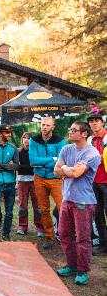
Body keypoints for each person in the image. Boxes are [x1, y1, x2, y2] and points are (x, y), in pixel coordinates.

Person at [55, 121, 100, 285]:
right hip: (67, 199)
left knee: (82, 238)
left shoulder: (92, 153)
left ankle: (82, 270)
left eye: (74, 130)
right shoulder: (66, 149)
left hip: (83, 201)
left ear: (84, 134)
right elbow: (56, 170)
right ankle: (72, 265)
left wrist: (66, 169)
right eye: (70, 129)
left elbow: (76, 173)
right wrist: (68, 169)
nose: (70, 132)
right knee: (64, 234)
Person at [29, 117, 66, 250]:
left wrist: (45, 162)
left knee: (63, 208)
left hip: (56, 178)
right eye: (43, 125)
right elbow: (33, 160)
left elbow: (61, 161)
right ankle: (49, 236)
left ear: (53, 127)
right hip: (39, 178)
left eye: (47, 125)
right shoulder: (33, 140)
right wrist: (52, 159)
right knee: (44, 209)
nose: (44, 127)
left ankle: (65, 235)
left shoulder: (60, 140)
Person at [87, 112, 107, 255]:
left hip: (106, 181)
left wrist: (97, 158)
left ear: (102, 123)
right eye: (91, 121)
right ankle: (104, 244)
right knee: (97, 214)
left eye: (96, 120)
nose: (94, 123)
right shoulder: (88, 140)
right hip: (93, 181)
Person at [16, 132, 43, 236]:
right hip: (22, 181)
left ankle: (40, 227)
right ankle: (22, 226)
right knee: (22, 204)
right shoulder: (18, 152)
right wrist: (29, 166)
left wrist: (24, 166)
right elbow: (16, 167)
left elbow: (37, 165)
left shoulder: (36, 152)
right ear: (22, 140)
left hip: (35, 180)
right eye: (24, 138)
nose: (26, 140)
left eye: (28, 138)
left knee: (37, 205)